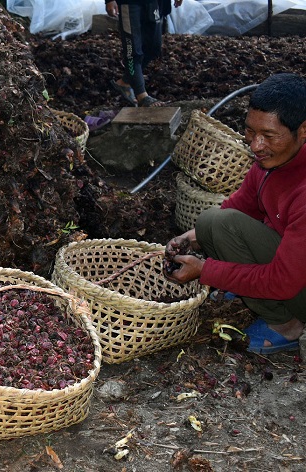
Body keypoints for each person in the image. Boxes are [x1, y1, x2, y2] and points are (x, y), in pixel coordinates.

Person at [165, 73, 306, 354]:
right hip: (290, 262)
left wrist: (207, 271)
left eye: (268, 136)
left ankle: (286, 324)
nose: (256, 146)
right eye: (251, 132)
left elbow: (282, 281)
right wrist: (190, 238)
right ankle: (248, 286)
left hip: (295, 283)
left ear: (303, 131)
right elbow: (240, 207)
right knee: (210, 223)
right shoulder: (272, 163)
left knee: (220, 227)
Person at [106, 0, 183, 107]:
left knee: (154, 47)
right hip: (129, 4)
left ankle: (126, 81)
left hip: (153, 3)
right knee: (133, 51)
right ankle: (142, 95)